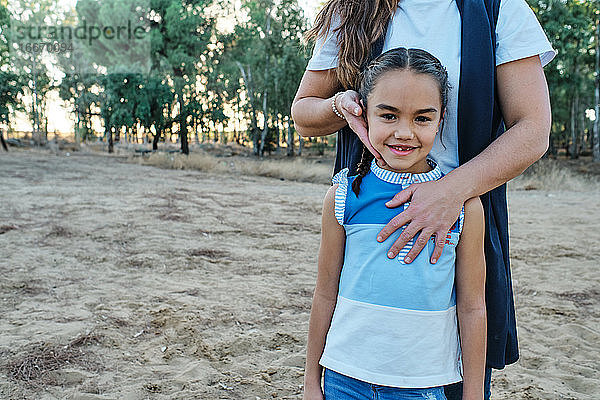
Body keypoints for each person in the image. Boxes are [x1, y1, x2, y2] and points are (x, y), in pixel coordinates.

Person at [291, 0, 555, 398]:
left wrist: (450, 193)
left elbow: (533, 129)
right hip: (373, 204)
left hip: (460, 208)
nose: (404, 130)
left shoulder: (500, 8)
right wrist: (338, 104)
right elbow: (304, 113)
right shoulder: (353, 9)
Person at [304, 47, 486, 400]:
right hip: (344, 378)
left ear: (441, 119)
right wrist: (312, 381)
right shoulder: (342, 197)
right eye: (388, 115)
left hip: (423, 384)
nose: (404, 132)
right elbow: (325, 293)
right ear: (364, 115)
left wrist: (474, 392)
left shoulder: (464, 207)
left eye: (422, 118)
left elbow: (473, 305)